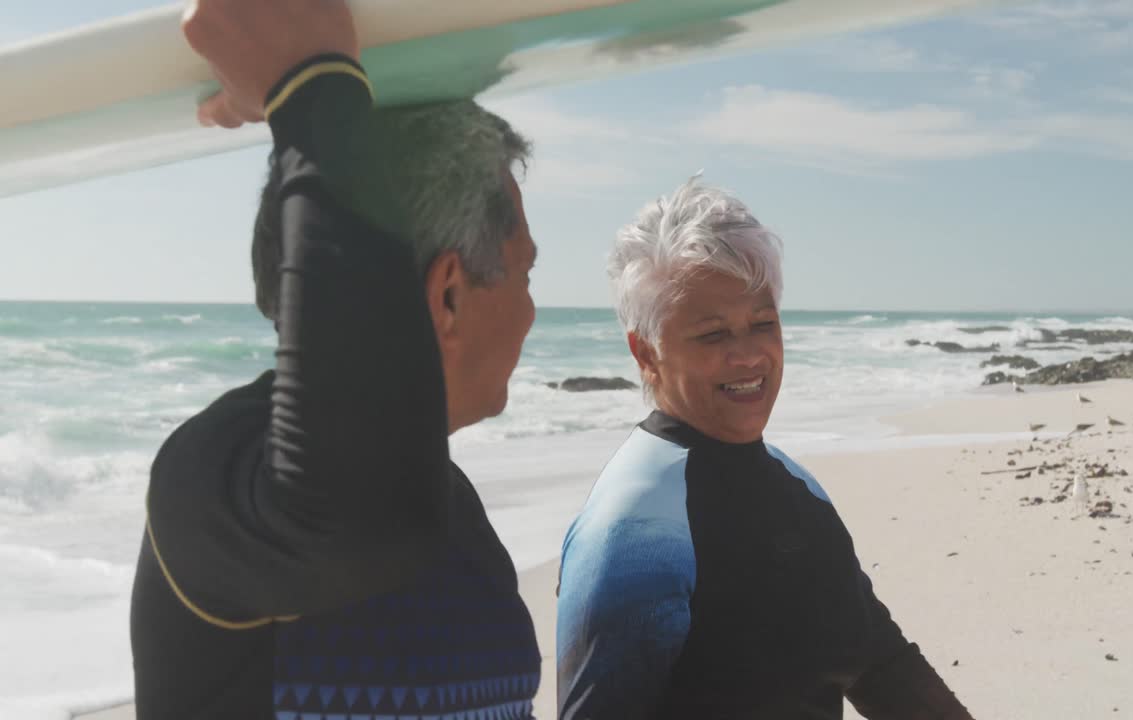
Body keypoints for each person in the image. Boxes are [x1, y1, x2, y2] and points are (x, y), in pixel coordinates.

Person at [130, 1, 542, 717]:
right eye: (526, 273)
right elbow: (352, 519)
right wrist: (310, 90)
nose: (533, 309)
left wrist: (314, 94)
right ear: (448, 296)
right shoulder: (220, 474)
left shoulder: (451, 506)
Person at [556, 178, 974, 719]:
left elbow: (878, 662)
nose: (749, 356)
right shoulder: (633, 528)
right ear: (646, 353)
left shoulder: (796, 489)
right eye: (713, 335)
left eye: (762, 324)